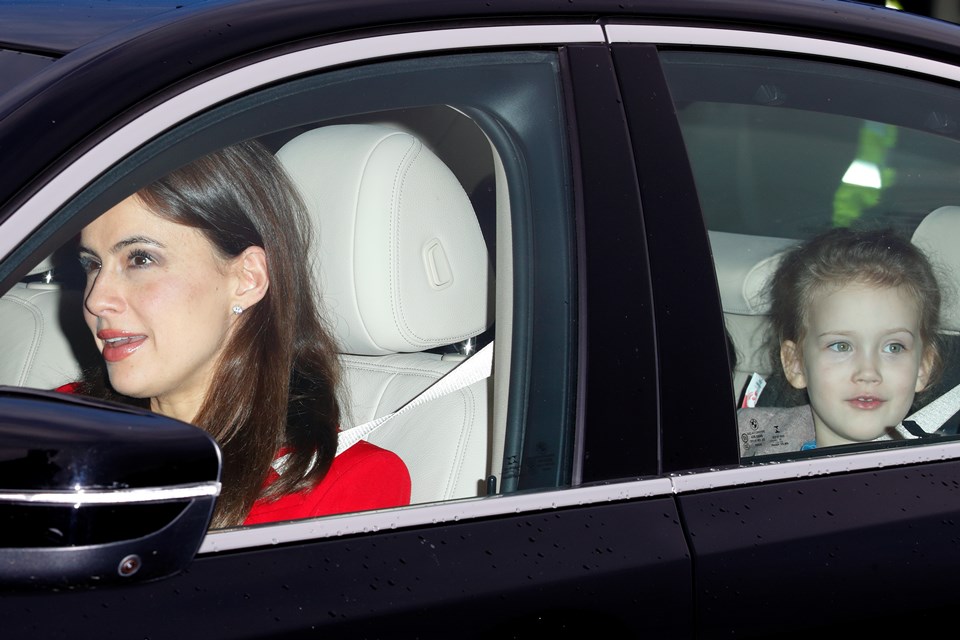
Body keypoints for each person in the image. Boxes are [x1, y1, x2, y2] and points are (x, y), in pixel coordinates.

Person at [61, 140, 411, 528]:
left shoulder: (344, 487)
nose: (97, 299)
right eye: (93, 264)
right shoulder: (58, 423)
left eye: (140, 259)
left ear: (247, 279)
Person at [739, 227, 943, 457]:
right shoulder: (745, 441)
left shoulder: (944, 469)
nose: (868, 372)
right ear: (795, 363)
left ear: (923, 367)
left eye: (893, 347)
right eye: (841, 346)